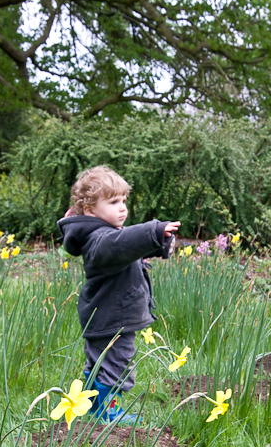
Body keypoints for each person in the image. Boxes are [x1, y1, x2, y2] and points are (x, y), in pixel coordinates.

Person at [57, 166, 179, 424]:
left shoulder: (102, 237)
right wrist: (153, 231)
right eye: (113, 202)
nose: (122, 207)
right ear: (90, 210)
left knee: (99, 365)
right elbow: (122, 245)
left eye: (124, 200)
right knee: (117, 367)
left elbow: (127, 249)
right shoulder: (100, 240)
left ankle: (90, 407)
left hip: (104, 317)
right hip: (114, 319)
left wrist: (160, 244)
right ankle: (108, 413)